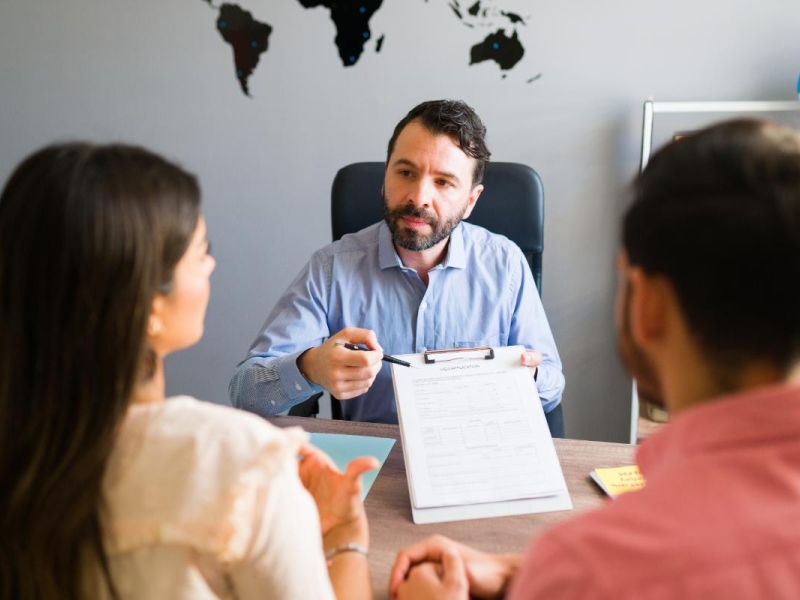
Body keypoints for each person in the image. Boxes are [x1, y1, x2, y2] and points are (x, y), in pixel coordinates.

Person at [388, 118, 800, 599]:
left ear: (648, 307)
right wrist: (517, 571)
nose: (421, 195)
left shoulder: (590, 563)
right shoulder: (591, 566)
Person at [0, 143, 376, 600]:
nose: (212, 265)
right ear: (149, 304)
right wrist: (344, 536)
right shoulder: (242, 464)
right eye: (201, 252)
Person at [229, 99, 566, 435]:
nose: (418, 197)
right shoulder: (331, 269)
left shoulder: (505, 264)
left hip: (477, 455)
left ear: (471, 201)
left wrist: (527, 374)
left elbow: (551, 387)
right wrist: (309, 368)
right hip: (374, 460)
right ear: (385, 176)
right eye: (406, 173)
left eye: (443, 182)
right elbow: (246, 393)